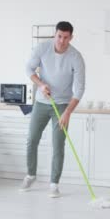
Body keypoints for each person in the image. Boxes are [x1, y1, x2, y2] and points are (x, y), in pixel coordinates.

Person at [21, 21, 86, 197]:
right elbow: (28, 68)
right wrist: (41, 84)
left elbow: (79, 89)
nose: (62, 41)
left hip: (63, 104)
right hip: (42, 102)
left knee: (58, 145)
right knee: (32, 139)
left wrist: (67, 112)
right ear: (54, 35)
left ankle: (54, 184)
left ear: (71, 37)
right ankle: (31, 174)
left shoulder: (76, 57)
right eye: (59, 36)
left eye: (66, 37)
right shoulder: (42, 48)